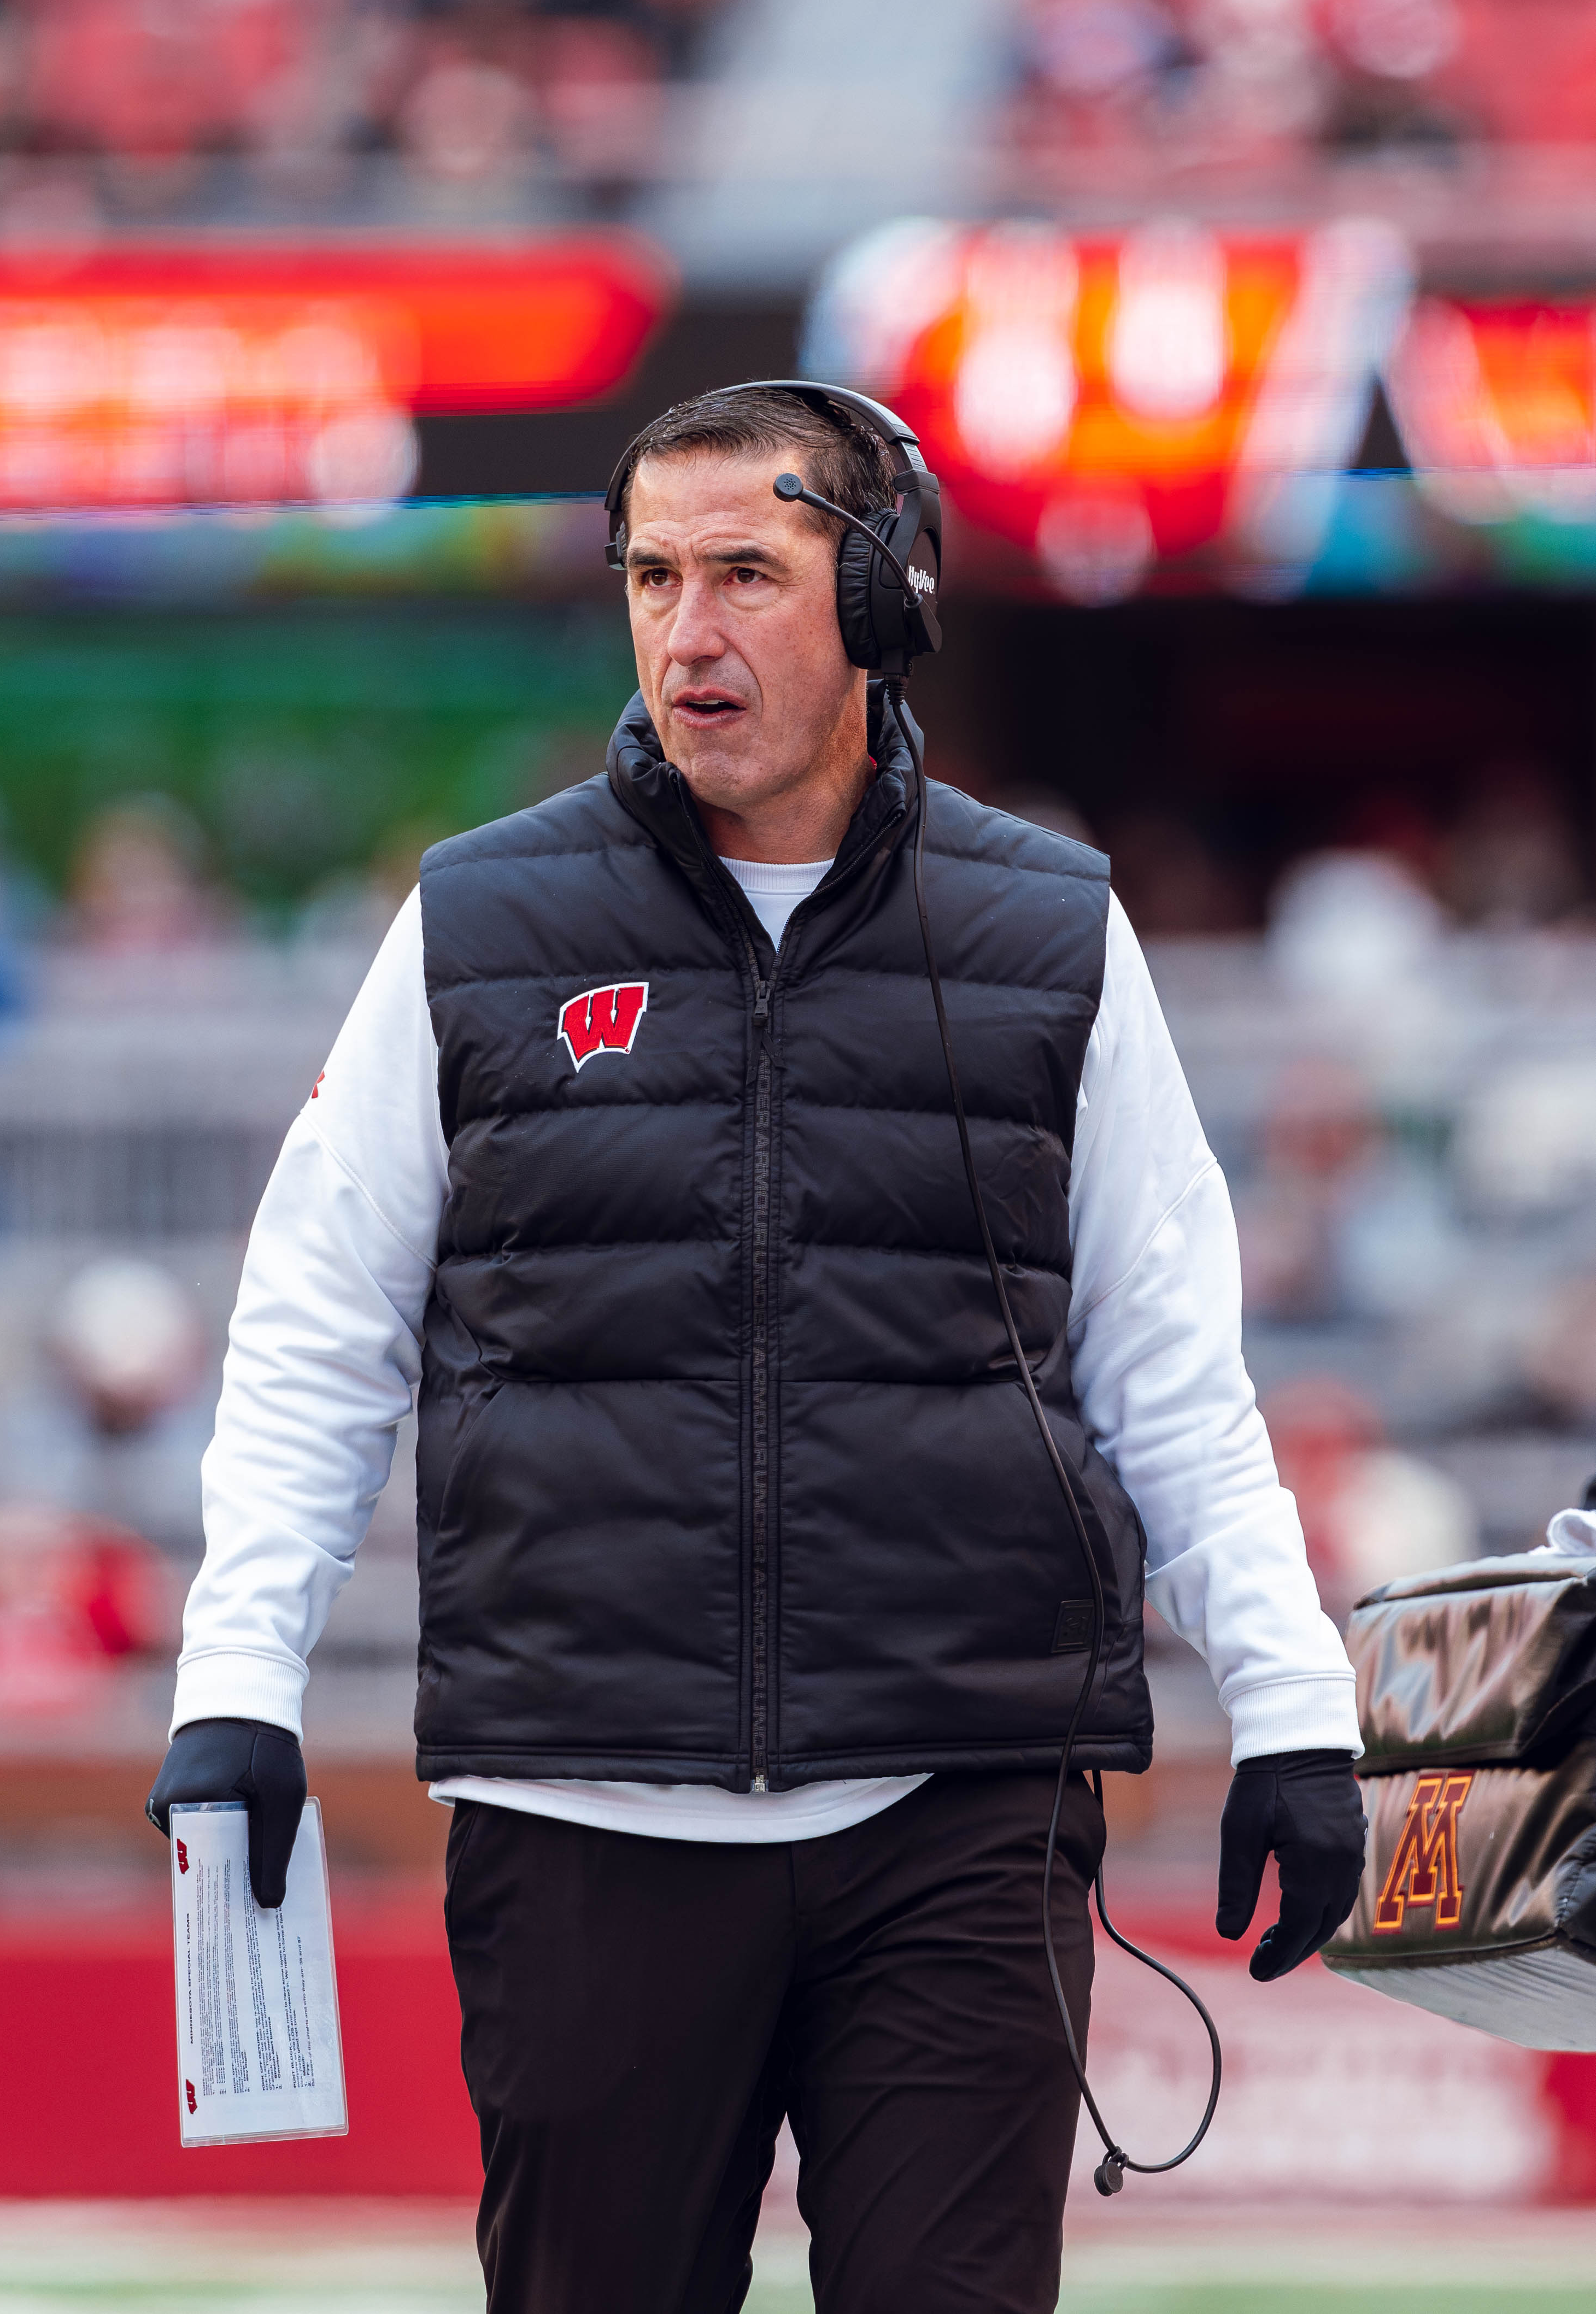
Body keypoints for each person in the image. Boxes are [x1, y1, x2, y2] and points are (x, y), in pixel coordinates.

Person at [146, 385, 1366, 2314]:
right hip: (579, 1808)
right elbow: (317, 1327)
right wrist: (238, 1679)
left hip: (958, 1803)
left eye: (745, 574)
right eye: (650, 576)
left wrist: (1292, 1712)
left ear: (882, 604)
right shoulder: (474, 922)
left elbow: (1169, 1367)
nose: (686, 632)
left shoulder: (1054, 934)